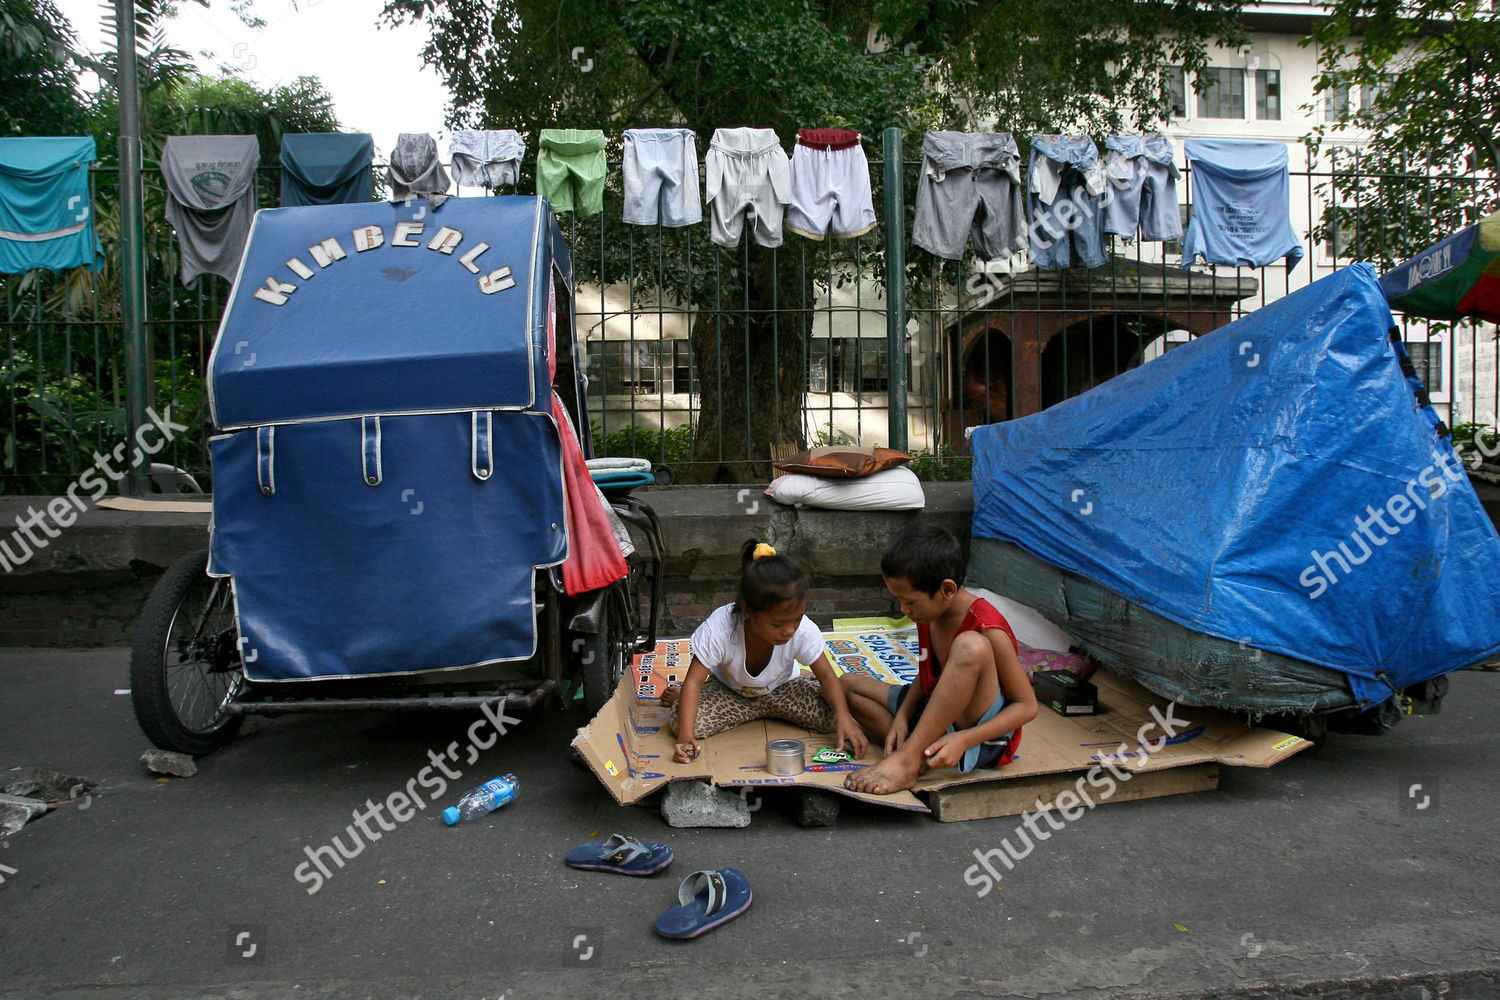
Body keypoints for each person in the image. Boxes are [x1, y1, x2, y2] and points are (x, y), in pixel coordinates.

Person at [841, 522, 1037, 794]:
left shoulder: (987, 627)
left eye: (910, 601)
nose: (904, 609)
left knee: (969, 646)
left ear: (946, 589)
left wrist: (964, 739)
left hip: (976, 731)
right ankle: (915, 749)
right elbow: (928, 673)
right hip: (937, 704)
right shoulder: (928, 614)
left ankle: (909, 759)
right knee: (845, 685)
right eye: (899, 600)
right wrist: (903, 717)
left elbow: (1027, 706)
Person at [663, 540, 867, 764]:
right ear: (747, 610)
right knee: (680, 720)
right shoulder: (719, 630)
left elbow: (828, 677)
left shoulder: (803, 630)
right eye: (778, 624)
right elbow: (693, 682)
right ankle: (685, 700)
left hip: (784, 689)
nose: (789, 631)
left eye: (797, 619)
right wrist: (685, 738)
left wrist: (844, 717)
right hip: (732, 692)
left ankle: (805, 679)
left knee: (834, 716)